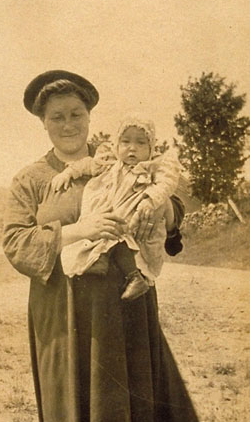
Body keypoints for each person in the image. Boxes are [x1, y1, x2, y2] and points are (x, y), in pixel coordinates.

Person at [3, 69, 231, 422]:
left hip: (126, 308)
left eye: (77, 115)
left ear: (90, 118)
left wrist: (164, 209)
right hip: (62, 313)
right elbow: (15, 244)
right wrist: (76, 230)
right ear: (43, 123)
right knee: (71, 412)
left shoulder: (120, 164)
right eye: (57, 117)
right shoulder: (32, 179)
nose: (69, 124)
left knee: (132, 409)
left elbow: (169, 218)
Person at [51, 115, 182, 300]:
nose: (132, 148)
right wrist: (69, 172)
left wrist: (150, 200)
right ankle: (100, 260)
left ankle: (134, 276)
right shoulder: (109, 164)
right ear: (117, 145)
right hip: (111, 213)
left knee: (120, 234)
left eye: (141, 143)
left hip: (135, 213)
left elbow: (166, 184)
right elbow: (88, 164)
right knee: (103, 233)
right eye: (125, 141)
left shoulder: (153, 168)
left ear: (151, 148)